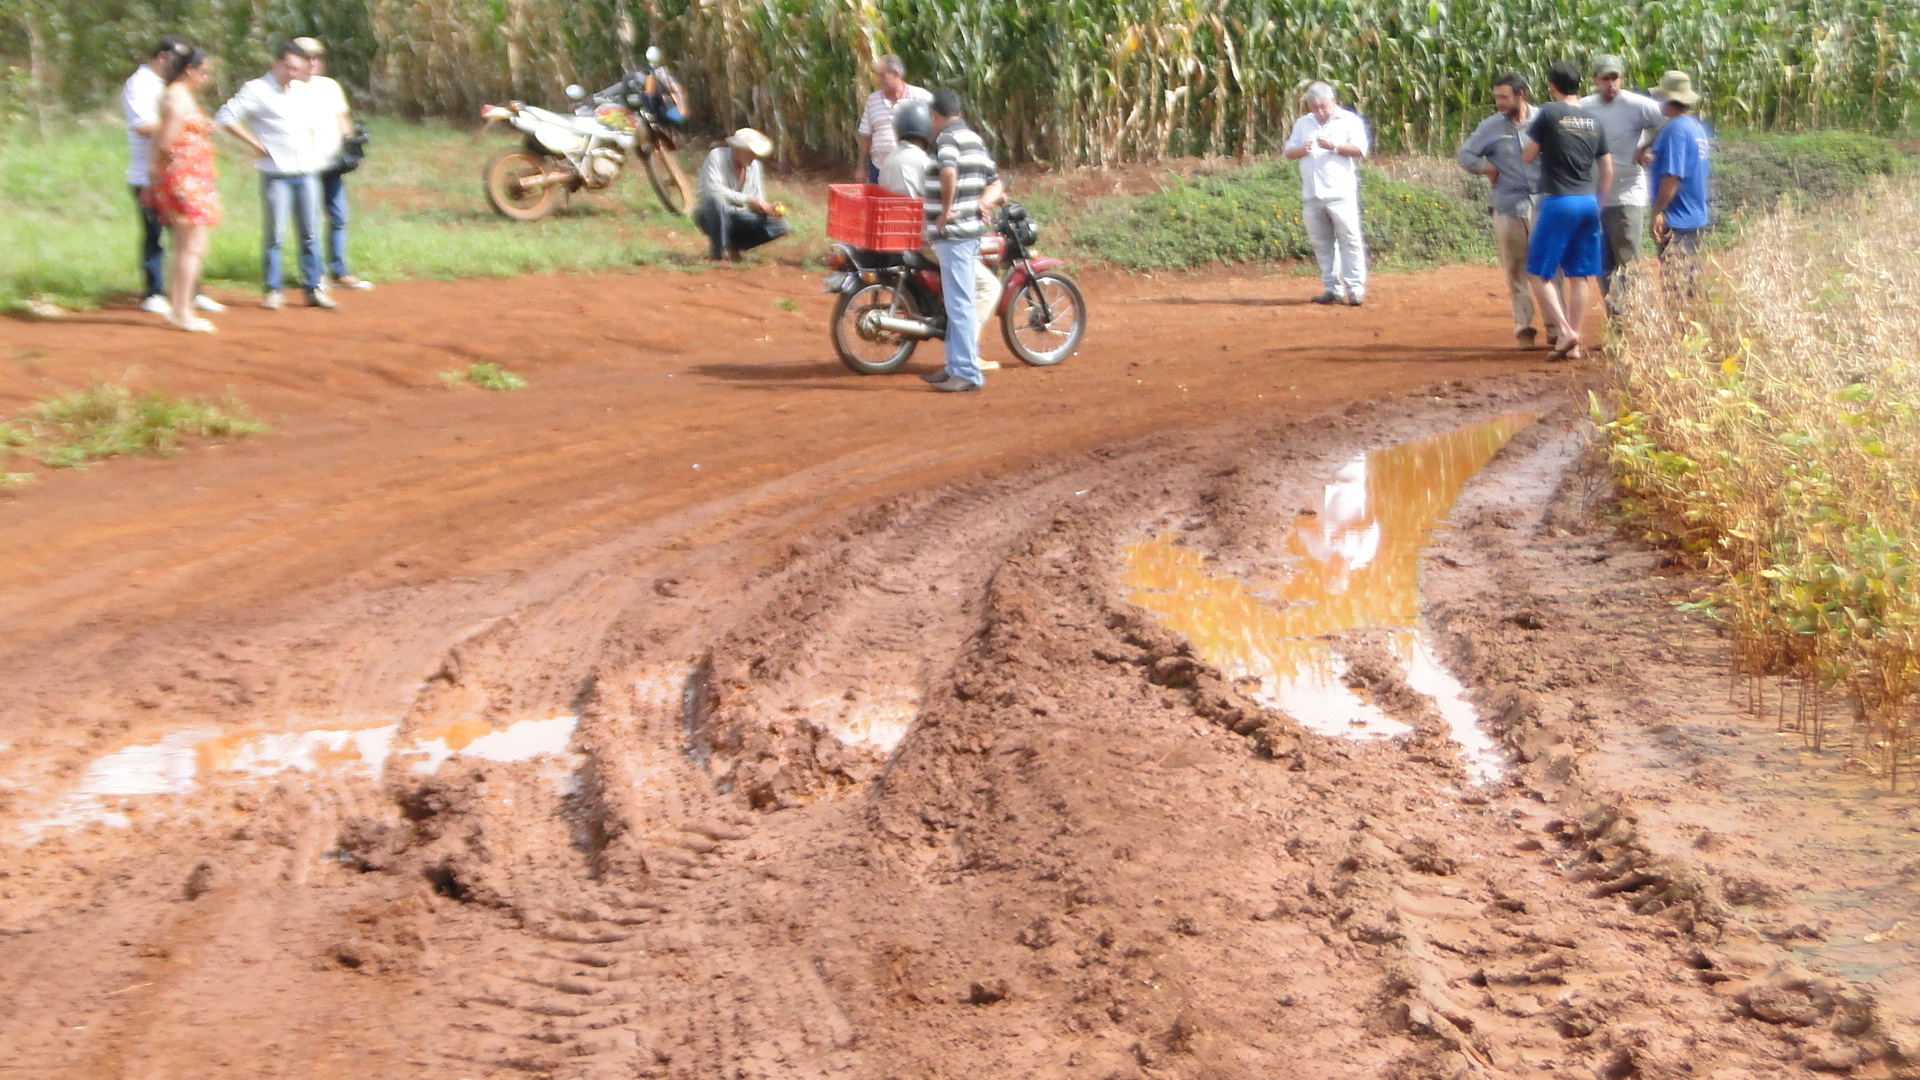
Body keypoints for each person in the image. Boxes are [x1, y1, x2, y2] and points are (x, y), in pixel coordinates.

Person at [879, 100, 1003, 361]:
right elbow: (948, 179)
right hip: (929, 237)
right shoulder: (924, 162)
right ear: (925, 126)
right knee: (988, 287)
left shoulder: (889, 159)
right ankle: (967, 353)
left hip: (901, 233)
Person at [217, 40, 334, 311]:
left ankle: (314, 288)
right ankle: (273, 289)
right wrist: (256, 143)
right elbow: (226, 116)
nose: (292, 73)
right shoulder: (256, 90)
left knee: (310, 233)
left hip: (306, 172)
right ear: (275, 64)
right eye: (288, 67)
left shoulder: (302, 91)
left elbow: (310, 125)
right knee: (275, 235)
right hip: (276, 174)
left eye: (297, 69)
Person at [125, 36, 223, 317]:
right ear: (190, 69)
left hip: (191, 178)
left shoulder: (178, 95)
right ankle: (179, 308)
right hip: (184, 180)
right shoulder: (174, 97)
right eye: (205, 71)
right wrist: (159, 178)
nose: (207, 78)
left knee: (193, 245)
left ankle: (184, 303)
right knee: (187, 246)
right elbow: (165, 143)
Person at [1524, 60, 1613, 361]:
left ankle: (1565, 331)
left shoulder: (1549, 113)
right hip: (1588, 201)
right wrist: (1598, 203)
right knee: (1580, 274)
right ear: (1580, 84)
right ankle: (1572, 343)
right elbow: (1607, 168)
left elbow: (1527, 155)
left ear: (1552, 86)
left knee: (1537, 272)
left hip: (1559, 199)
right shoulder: (1594, 120)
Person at [1458, 72, 1547, 348]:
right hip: (1508, 205)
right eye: (1497, 97)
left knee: (1549, 267)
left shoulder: (1544, 120)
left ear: (1521, 95)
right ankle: (1524, 327)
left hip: (1544, 204)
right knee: (1515, 268)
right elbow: (1465, 155)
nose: (1499, 102)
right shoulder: (1491, 126)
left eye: (1504, 97)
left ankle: (1557, 328)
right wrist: (1486, 167)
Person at [921, 88, 1000, 393]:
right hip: (967, 233)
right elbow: (995, 182)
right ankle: (955, 366)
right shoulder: (974, 139)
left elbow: (949, 171)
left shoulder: (946, 140)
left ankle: (966, 372)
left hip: (954, 234)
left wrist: (945, 211)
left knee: (960, 303)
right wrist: (985, 202)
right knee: (958, 303)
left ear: (936, 116)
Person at [1580, 56, 1665, 307]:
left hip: (1628, 194)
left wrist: (1648, 148)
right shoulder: (1584, 107)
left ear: (1622, 79)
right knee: (1603, 264)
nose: (1611, 84)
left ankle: (1639, 320)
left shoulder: (1636, 104)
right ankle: (1618, 325)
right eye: (1605, 78)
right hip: (1594, 197)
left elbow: (1671, 121)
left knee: (1628, 261)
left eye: (1615, 78)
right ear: (1595, 80)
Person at [293, 37, 373, 291]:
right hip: (306, 164)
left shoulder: (330, 86)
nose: (314, 62)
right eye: (308, 57)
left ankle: (339, 271)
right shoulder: (290, 88)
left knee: (338, 216)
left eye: (317, 57)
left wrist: (351, 141)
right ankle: (316, 274)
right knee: (312, 221)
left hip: (332, 163)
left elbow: (342, 118)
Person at [1283, 82, 1370, 307]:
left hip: (1340, 192)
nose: (1319, 111)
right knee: (1321, 243)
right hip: (1312, 194)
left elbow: (1360, 150)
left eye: (1323, 106)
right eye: (1315, 107)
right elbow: (1288, 151)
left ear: (1333, 101)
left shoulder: (1349, 120)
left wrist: (1334, 146)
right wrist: (1303, 149)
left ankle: (1355, 289)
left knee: (1350, 240)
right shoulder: (1303, 123)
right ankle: (1332, 288)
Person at [1646, 71, 1711, 293]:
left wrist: (1658, 211)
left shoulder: (1675, 130)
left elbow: (1672, 177)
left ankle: (1681, 328)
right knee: (1688, 282)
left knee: (1676, 287)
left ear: (1667, 99)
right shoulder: (1693, 127)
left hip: (1677, 219)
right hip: (1694, 216)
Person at [694, 128, 789, 261]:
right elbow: (713, 190)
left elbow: (758, 197)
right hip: (711, 214)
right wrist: (748, 200)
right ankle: (718, 253)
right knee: (717, 201)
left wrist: (767, 208)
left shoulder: (755, 167)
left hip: (740, 217)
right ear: (737, 149)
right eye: (751, 152)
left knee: (782, 225)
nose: (754, 156)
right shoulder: (717, 156)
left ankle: (732, 247)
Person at [855, 55, 932, 185]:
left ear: (896, 74)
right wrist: (862, 166)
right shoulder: (873, 100)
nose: (878, 80)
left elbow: (939, 122)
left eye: (882, 75)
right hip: (878, 167)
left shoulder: (921, 97)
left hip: (911, 170)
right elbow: (866, 135)